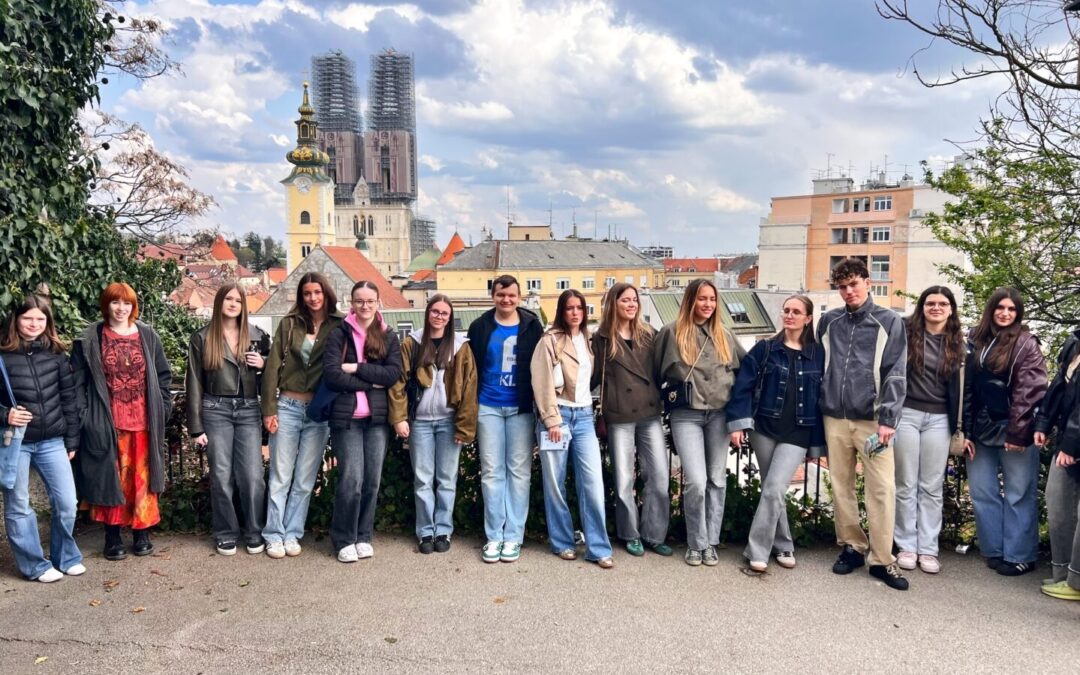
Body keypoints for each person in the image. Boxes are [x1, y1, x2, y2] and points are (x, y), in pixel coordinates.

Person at [817, 258, 909, 590]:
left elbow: (896, 372)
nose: (848, 291)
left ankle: (883, 560)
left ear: (868, 282)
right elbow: (821, 367)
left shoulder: (888, 321)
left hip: (873, 422)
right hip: (835, 418)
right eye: (842, 286)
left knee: (882, 490)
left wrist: (888, 419)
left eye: (853, 284)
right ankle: (853, 546)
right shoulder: (829, 321)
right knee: (841, 486)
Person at [72, 282, 173, 561]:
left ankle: (142, 533)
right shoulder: (90, 338)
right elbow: (76, 384)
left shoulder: (148, 336)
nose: (121, 308)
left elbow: (163, 376)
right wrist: (85, 418)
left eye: (126, 303)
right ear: (107, 305)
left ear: (133, 306)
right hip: (106, 423)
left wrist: (162, 408)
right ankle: (112, 536)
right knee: (111, 480)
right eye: (115, 302)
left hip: (143, 421)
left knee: (141, 480)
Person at [727, 295, 824, 573]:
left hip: (798, 432)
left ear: (808, 318)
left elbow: (820, 398)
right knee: (773, 490)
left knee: (773, 488)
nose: (790, 315)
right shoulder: (765, 349)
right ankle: (783, 544)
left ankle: (756, 551)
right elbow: (743, 386)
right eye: (786, 311)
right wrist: (738, 424)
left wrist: (819, 442)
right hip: (764, 428)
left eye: (796, 312)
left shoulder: (818, 354)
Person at [654, 278, 745, 567]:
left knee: (717, 479)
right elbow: (655, 372)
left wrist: (740, 418)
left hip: (719, 414)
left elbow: (746, 371)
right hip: (686, 414)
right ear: (690, 300)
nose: (707, 304)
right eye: (702, 298)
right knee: (695, 480)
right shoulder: (671, 332)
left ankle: (711, 542)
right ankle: (696, 541)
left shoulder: (725, 335)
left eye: (712, 299)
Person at [964, 287, 1047, 576]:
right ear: (991, 309)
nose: (1005, 313)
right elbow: (968, 387)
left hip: (1015, 428)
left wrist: (1018, 432)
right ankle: (995, 550)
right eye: (1001, 307)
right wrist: (965, 430)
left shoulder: (1026, 343)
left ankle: (1020, 554)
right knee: (982, 490)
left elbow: (1031, 390)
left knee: (1018, 493)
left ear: (1018, 314)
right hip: (981, 428)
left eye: (1012, 309)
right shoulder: (976, 339)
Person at [0, 295, 83, 582]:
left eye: (40, 319)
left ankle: (66, 557)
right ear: (16, 320)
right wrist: (5, 415)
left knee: (67, 503)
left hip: (52, 441)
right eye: (27, 318)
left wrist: (72, 440)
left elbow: (68, 399)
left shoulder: (56, 354)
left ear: (47, 322)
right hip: (16, 443)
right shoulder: (2, 355)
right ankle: (35, 565)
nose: (34, 324)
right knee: (19, 505)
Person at [260, 272, 343, 559]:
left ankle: (293, 533)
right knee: (281, 475)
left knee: (305, 479)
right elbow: (272, 367)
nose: (313, 298)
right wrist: (269, 409)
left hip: (318, 412)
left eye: (317, 292)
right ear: (302, 296)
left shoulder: (339, 324)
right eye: (307, 293)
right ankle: (273, 534)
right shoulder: (290, 323)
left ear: (325, 293)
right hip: (288, 407)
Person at [389, 294, 477, 554]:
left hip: (449, 421)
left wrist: (464, 426)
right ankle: (425, 531)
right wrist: (399, 418)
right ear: (428, 313)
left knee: (447, 479)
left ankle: (443, 530)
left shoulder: (460, 346)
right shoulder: (412, 343)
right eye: (435, 311)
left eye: (444, 313)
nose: (439, 316)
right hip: (421, 423)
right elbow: (398, 383)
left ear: (450, 318)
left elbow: (470, 387)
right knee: (423, 479)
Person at [532, 289, 614, 568]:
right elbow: (541, 383)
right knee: (555, 483)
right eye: (569, 308)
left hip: (584, 417)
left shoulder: (591, 340)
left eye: (580, 307)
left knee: (592, 483)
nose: (575, 312)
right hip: (558, 416)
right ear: (561, 311)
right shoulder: (550, 340)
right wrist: (551, 420)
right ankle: (563, 542)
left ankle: (598, 547)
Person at [186, 284, 269, 556]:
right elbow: (194, 383)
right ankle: (225, 532)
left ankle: (254, 530)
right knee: (221, 475)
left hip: (248, 409)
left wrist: (265, 364)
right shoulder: (202, 338)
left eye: (238, 300)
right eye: (229, 299)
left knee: (252, 476)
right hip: (215, 407)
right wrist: (195, 426)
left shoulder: (257, 336)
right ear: (220, 301)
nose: (233, 304)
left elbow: (277, 373)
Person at [322, 281, 402, 563]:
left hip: (377, 419)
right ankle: (344, 538)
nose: (365, 306)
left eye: (370, 301)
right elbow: (332, 374)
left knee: (372, 481)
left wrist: (356, 369)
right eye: (359, 301)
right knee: (351, 480)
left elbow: (392, 374)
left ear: (378, 302)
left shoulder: (388, 335)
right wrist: (371, 381)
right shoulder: (339, 335)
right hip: (347, 419)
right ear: (351, 303)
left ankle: (363, 536)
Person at [591, 282, 672, 557]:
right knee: (624, 478)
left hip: (649, 413)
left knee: (659, 476)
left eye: (634, 300)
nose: (631, 304)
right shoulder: (601, 338)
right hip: (619, 415)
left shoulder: (649, 334)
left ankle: (654, 533)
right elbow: (590, 378)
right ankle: (629, 533)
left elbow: (664, 367)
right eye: (625, 300)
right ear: (613, 303)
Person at [467, 275, 543, 564]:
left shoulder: (532, 326)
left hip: (521, 407)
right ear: (493, 296)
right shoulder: (480, 326)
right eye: (501, 295)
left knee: (519, 473)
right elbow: (471, 368)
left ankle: (513, 535)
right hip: (488, 406)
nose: (506, 300)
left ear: (520, 297)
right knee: (491, 472)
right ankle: (494, 536)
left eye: (511, 295)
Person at [893, 286, 965, 575]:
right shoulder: (905, 335)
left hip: (940, 420)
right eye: (930, 303)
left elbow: (964, 390)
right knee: (906, 483)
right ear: (922, 306)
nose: (936, 307)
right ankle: (906, 545)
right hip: (907, 414)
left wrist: (963, 427)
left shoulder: (960, 344)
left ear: (951, 309)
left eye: (942, 303)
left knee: (932, 487)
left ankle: (929, 549)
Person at [1035, 327, 1080, 600]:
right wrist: (1044, 422)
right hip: (1067, 438)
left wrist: (1072, 445)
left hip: (1072, 442)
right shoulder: (1074, 340)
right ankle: (1063, 573)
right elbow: (1058, 387)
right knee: (1058, 503)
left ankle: (1076, 582)